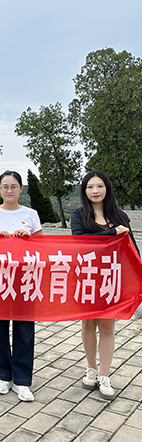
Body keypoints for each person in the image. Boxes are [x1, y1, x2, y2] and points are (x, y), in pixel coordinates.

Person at [71, 171, 139, 400]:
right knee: (89, 323)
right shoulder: (79, 215)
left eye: (100, 186)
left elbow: (132, 247)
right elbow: (80, 241)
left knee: (107, 326)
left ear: (107, 188)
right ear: (84, 191)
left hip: (112, 278)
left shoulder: (120, 215)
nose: (95, 191)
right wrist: (112, 232)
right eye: (90, 187)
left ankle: (104, 375)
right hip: (87, 278)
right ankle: (91, 369)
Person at [0, 171, 43, 403]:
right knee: (0, 328)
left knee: (24, 329)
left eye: (14, 186)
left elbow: (42, 247)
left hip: (25, 279)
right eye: (5, 186)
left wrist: (28, 238)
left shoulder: (31, 214)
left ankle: (22, 380)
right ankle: (3, 376)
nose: (9, 190)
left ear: (21, 189)